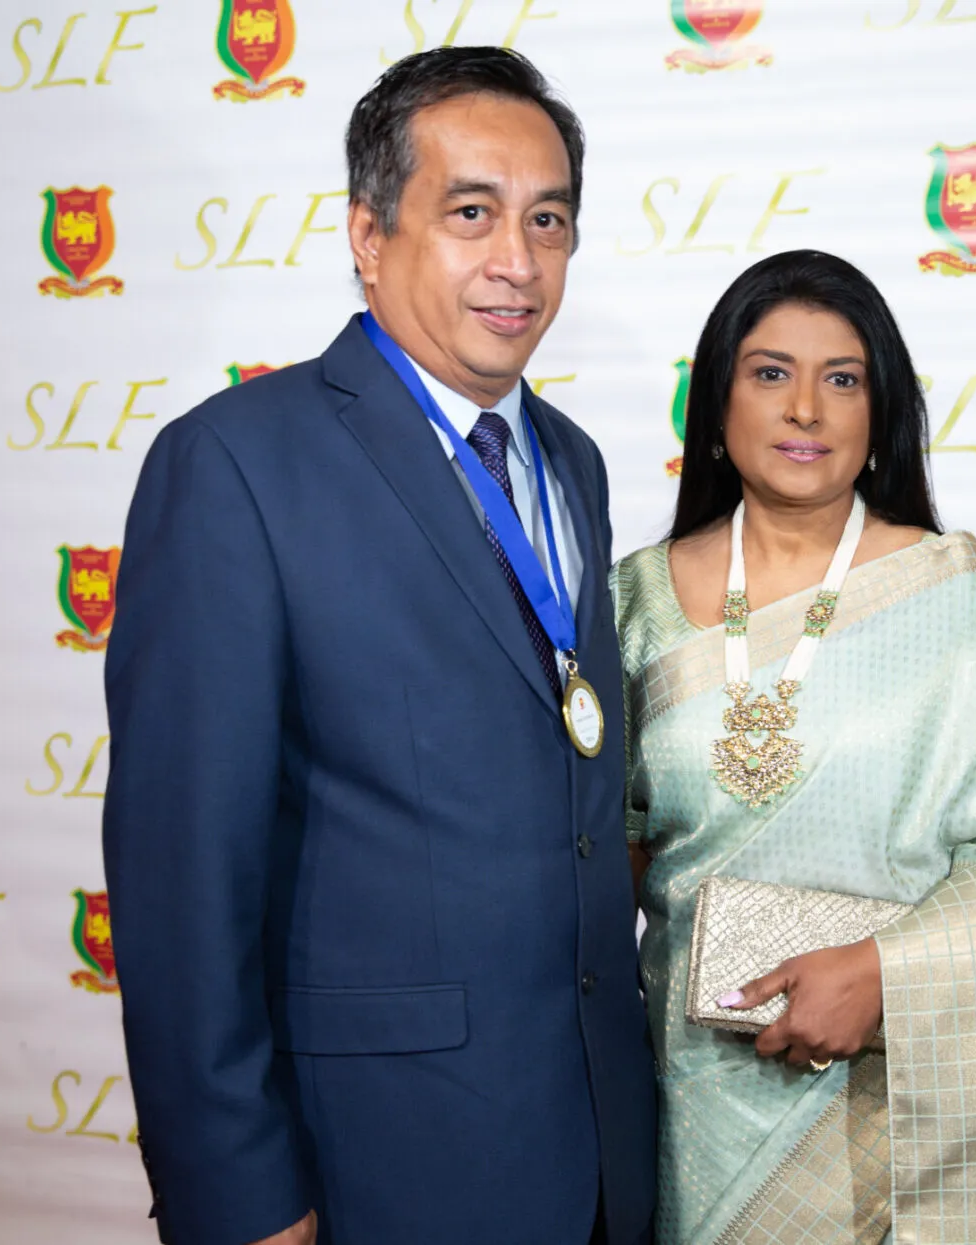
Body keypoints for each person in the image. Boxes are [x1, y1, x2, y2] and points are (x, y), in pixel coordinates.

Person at [103, 48, 656, 1245]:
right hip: (379, 1161)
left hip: (599, 1152)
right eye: (471, 214)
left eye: (547, 219)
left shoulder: (572, 461)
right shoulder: (235, 465)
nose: (518, 261)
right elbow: (182, 882)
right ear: (368, 233)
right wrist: (237, 1196)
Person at [612, 250, 976, 1244]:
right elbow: (601, 852)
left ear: (879, 412)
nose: (805, 407)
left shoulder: (954, 598)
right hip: (691, 1104)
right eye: (770, 372)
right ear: (714, 403)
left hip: (891, 1103)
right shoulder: (631, 600)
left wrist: (890, 971)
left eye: (841, 379)